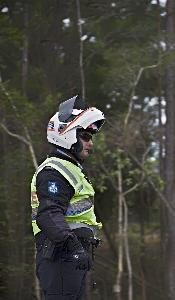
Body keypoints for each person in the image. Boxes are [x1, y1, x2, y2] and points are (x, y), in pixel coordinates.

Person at [30, 95, 105, 299]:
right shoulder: (54, 171)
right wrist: (73, 248)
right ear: (68, 135)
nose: (90, 143)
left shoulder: (70, 168)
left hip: (69, 254)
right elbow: (48, 216)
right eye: (86, 137)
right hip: (60, 255)